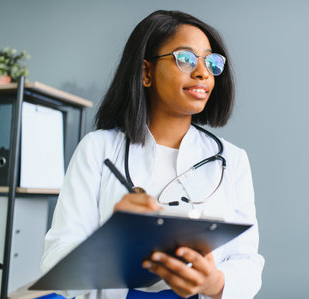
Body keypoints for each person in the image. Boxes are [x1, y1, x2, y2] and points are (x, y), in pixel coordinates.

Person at [41, 10, 264, 299]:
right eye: (185, 58)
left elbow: (247, 260)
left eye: (211, 62)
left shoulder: (232, 160)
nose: (202, 72)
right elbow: (56, 260)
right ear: (146, 72)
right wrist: (114, 237)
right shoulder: (97, 149)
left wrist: (214, 283)